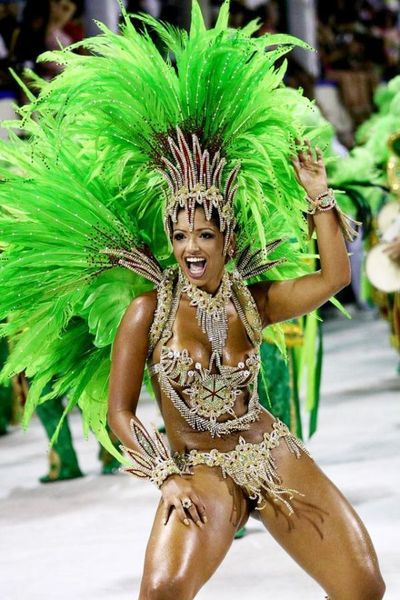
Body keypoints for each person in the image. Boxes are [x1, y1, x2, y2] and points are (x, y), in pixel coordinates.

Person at [0, 2, 384, 598]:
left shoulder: (254, 299)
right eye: (180, 236)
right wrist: (164, 477)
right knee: (163, 592)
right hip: (199, 468)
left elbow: (333, 277)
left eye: (204, 235)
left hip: (267, 449)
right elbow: (122, 413)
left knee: (364, 587)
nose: (191, 249)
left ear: (229, 239)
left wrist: (320, 198)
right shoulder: (147, 310)